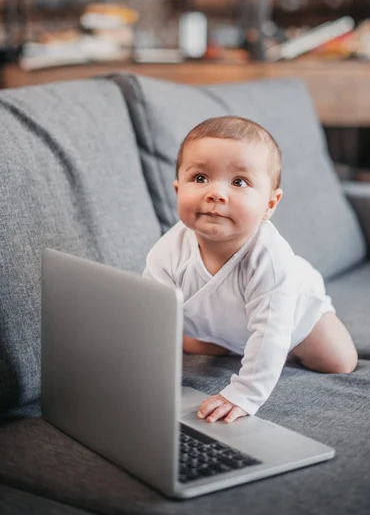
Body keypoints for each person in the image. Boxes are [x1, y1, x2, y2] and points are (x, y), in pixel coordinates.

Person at [143, 116, 358, 424]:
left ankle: (281, 349)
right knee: (186, 339)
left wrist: (243, 394)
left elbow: (271, 331)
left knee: (339, 360)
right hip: (218, 321)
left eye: (239, 182)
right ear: (177, 189)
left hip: (292, 314)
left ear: (270, 204)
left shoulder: (269, 259)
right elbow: (151, 311)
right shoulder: (168, 250)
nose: (216, 193)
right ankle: (235, 344)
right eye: (200, 178)